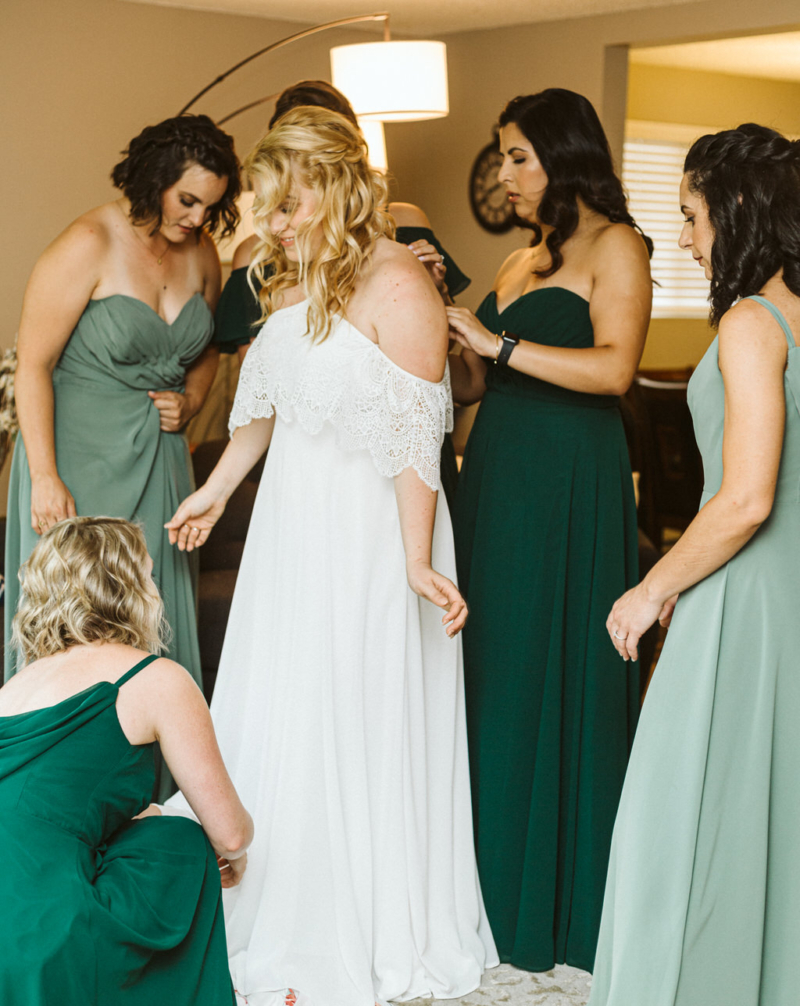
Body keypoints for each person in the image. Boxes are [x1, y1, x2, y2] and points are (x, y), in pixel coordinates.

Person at [162, 105, 497, 1006]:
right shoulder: (294, 279)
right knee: (283, 700)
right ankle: (273, 890)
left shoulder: (401, 287)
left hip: (372, 537)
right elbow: (269, 406)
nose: (271, 226)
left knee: (351, 706)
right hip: (292, 531)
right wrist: (216, 489)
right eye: (266, 208)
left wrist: (417, 561)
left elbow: (417, 439)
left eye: (286, 205)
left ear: (339, 188)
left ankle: (357, 917)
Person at [589, 124, 800, 1006]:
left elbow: (746, 498)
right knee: (769, 814)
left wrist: (651, 588)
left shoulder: (753, 322)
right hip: (780, 592)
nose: (683, 238)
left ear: (738, 209)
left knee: (688, 814)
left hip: (746, 600)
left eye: (691, 215)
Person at [446, 88, 653, 973]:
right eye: (502, 155)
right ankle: (485, 889)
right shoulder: (517, 260)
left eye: (518, 156)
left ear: (564, 157)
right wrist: (444, 332)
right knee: (494, 666)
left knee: (556, 660)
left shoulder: (619, 246)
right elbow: (474, 386)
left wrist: (496, 345)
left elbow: (615, 370)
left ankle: (559, 901)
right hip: (496, 474)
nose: (505, 173)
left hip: (570, 479)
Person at [4, 114, 240, 784]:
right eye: (187, 200)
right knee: (77, 616)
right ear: (155, 180)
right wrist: (44, 476)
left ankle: (159, 786)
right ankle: (58, 781)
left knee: (153, 610)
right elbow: (33, 365)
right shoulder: (88, 242)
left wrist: (191, 400)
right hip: (76, 457)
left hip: (162, 461)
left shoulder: (202, 254)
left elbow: (210, 349)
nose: (197, 218)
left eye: (211, 207)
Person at [0, 515, 253, 1005]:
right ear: (127, 587)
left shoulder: (11, 691)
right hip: (43, 928)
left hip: (15, 921)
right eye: (149, 575)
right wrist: (237, 852)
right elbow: (231, 835)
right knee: (182, 841)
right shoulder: (153, 677)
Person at [213, 80, 470, 507]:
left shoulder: (402, 244)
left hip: (392, 471)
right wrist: (215, 491)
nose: (276, 224)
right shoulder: (270, 264)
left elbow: (436, 385)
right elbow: (269, 394)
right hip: (308, 466)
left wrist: (434, 294)